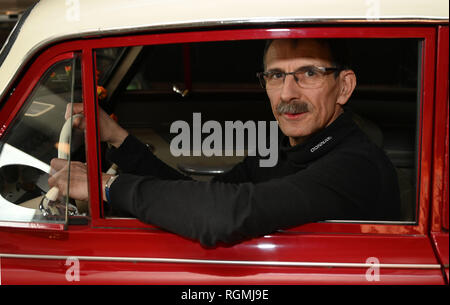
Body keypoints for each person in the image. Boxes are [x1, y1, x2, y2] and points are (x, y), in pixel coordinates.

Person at [49, 39, 401, 247]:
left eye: (309, 74)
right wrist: (117, 138)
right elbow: (198, 195)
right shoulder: (281, 149)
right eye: (276, 76)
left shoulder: (358, 165)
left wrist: (108, 187)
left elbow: (224, 215)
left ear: (344, 86)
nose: (288, 93)